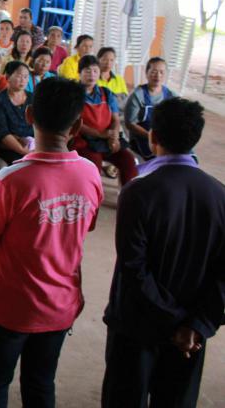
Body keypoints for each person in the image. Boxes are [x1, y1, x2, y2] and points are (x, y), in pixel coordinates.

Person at [0, 77, 103, 408]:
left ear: (29, 115)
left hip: (9, 305)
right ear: (78, 126)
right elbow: (83, 228)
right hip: (61, 304)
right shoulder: (90, 174)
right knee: (41, 383)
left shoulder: (9, 179)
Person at [102, 97, 224, 408]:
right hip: (190, 337)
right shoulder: (219, 194)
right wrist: (196, 325)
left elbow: (134, 268)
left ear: (152, 136)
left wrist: (172, 320)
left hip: (137, 327)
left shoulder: (138, 191)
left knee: (124, 398)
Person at [74, 55, 137, 186]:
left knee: (128, 161)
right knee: (94, 165)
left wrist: (114, 137)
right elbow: (74, 122)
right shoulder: (72, 94)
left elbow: (115, 119)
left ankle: (127, 195)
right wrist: (100, 134)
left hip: (106, 139)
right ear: (79, 73)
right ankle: (92, 197)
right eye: (87, 71)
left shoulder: (106, 93)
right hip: (84, 140)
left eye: (95, 71)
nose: (92, 75)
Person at [124, 57, 178, 160]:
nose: (158, 76)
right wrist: (151, 136)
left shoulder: (171, 95)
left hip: (164, 136)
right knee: (160, 160)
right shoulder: (138, 95)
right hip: (142, 137)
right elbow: (130, 124)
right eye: (154, 72)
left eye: (161, 72)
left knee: (184, 156)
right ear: (146, 73)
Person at [0, 61, 34, 165]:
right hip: (6, 145)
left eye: (26, 76)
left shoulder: (33, 98)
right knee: (23, 165)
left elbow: (40, 125)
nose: (23, 80)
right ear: (8, 77)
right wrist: (24, 152)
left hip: (31, 143)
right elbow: (2, 133)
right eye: (19, 76)